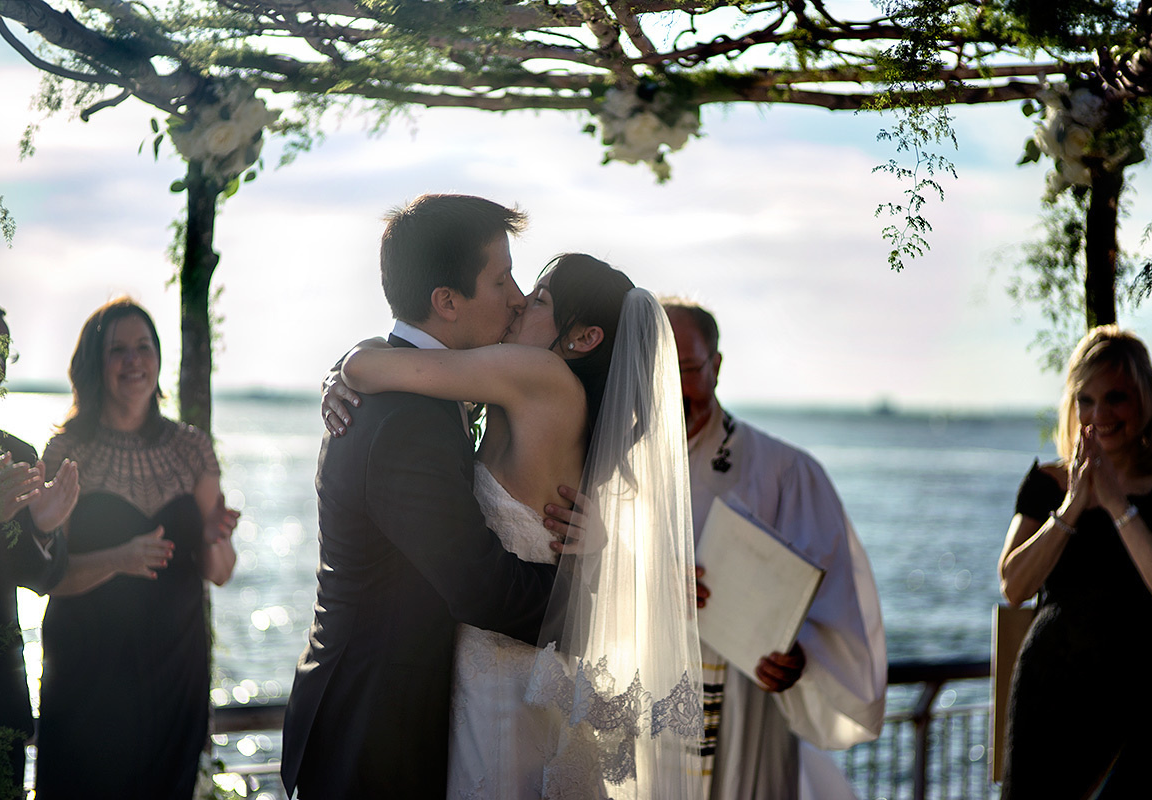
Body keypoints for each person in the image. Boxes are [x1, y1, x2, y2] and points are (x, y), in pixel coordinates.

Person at [336, 253, 703, 797]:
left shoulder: (541, 376)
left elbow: (371, 368)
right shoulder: (555, 399)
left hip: (500, 676)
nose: (517, 304)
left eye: (539, 301)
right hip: (522, 670)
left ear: (583, 338)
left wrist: (341, 370)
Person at [281, 194, 562, 798]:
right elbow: (480, 586)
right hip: (372, 734)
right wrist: (606, 593)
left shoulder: (403, 382)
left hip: (394, 721)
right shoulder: (406, 417)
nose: (517, 297)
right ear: (447, 302)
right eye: (501, 277)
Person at [662, 299, 887, 800]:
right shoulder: (616, 472)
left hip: (745, 726)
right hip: (646, 719)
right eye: (659, 369)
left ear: (716, 367)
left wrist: (798, 657)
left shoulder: (785, 473)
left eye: (687, 369)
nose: (674, 389)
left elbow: (837, 615)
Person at [34, 297, 238, 800]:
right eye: (118, 350)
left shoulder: (193, 449)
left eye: (143, 347)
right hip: (87, 670)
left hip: (174, 670)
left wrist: (215, 540)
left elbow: (220, 572)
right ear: (96, 364)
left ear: (158, 358)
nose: (133, 360)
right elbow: (45, 575)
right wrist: (119, 559)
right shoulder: (66, 452)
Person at [998, 325, 1152, 798]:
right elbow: (1013, 585)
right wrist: (1073, 506)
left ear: (1145, 403)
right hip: (1050, 693)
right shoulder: (1047, 484)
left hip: (1140, 704)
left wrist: (1117, 506)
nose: (1100, 415)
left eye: (1116, 398)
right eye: (1085, 400)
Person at [0, 301, 77, 791]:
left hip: (3, 700)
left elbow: (43, 578)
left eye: (6, 350)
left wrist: (43, 527)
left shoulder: (15, 454)